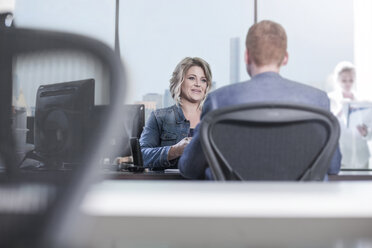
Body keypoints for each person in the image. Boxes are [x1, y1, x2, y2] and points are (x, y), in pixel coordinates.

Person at [178, 20, 341, 179]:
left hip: (234, 204)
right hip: (299, 204)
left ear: (247, 56)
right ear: (285, 58)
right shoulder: (318, 100)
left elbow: (189, 168)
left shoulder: (217, 101)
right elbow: (333, 166)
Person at [139, 57, 212, 169]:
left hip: (208, 185)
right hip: (171, 184)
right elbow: (141, 156)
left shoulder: (213, 119)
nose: (198, 84)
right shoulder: (159, 117)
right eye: (192, 78)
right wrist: (175, 150)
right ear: (179, 81)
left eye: (203, 80)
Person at [328, 61, 371, 169]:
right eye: (344, 80)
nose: (348, 84)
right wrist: (341, 110)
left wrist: (366, 132)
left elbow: (369, 131)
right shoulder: (331, 99)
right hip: (342, 155)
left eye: (351, 80)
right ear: (337, 80)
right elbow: (328, 123)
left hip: (362, 157)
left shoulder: (362, 101)